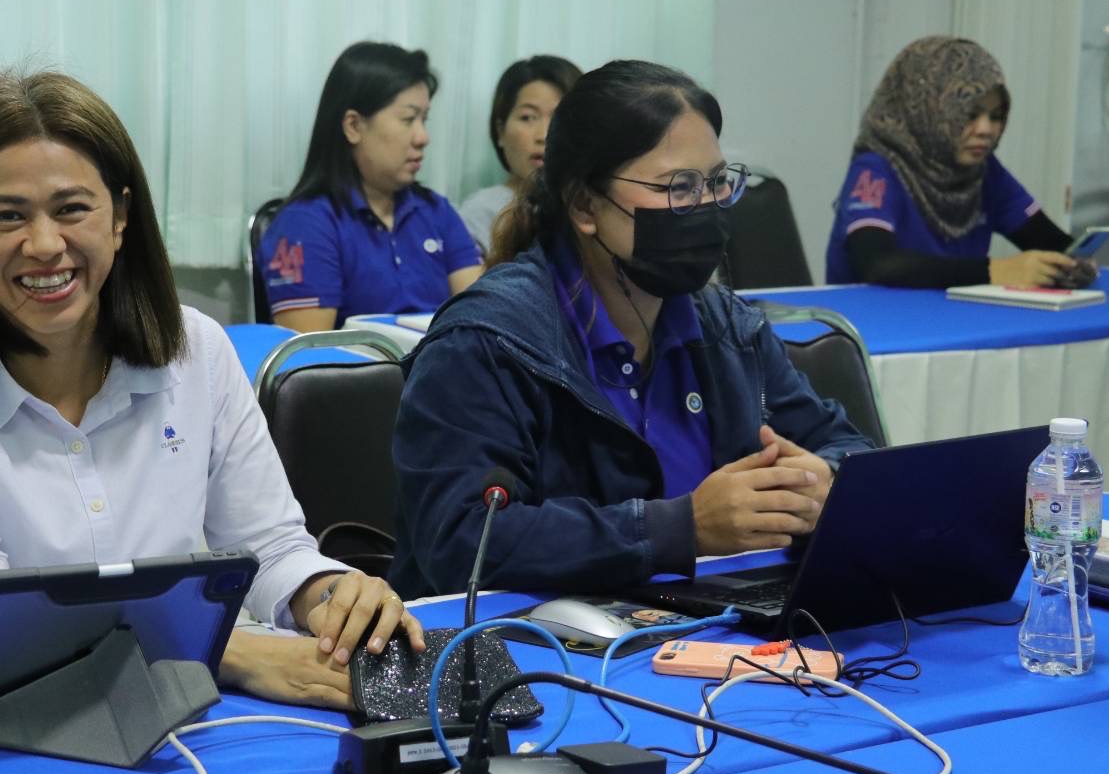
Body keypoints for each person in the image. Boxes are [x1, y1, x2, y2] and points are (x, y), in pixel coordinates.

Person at [0, 70, 422, 709]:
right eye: (8, 216)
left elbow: (268, 545)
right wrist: (225, 651)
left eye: (72, 209)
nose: (45, 245)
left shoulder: (197, 349)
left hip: (186, 717)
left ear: (121, 217)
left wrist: (327, 596)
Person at [389, 60, 874, 599]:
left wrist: (823, 482)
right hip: (527, 649)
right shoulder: (486, 342)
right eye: (678, 187)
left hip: (707, 630)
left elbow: (844, 445)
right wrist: (680, 528)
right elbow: (462, 542)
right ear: (584, 205)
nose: (706, 207)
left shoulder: (725, 326)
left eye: (717, 183)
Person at [824, 35, 1094, 288]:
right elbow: (878, 264)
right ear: (929, 110)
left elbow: (1049, 242)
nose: (986, 130)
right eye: (969, 114)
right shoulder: (877, 168)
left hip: (952, 326)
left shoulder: (984, 172)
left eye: (996, 116)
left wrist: (1074, 263)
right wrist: (995, 271)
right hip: (872, 331)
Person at [257, 42, 483, 331]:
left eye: (424, 120)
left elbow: (481, 317)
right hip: (360, 374)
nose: (422, 137)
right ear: (354, 126)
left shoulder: (436, 211)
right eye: (408, 119)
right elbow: (308, 357)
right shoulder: (305, 224)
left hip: (442, 371)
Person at [459, 55, 583, 254]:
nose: (543, 135)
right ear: (500, 132)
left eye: (559, 117)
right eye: (527, 117)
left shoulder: (596, 207)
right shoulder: (480, 214)